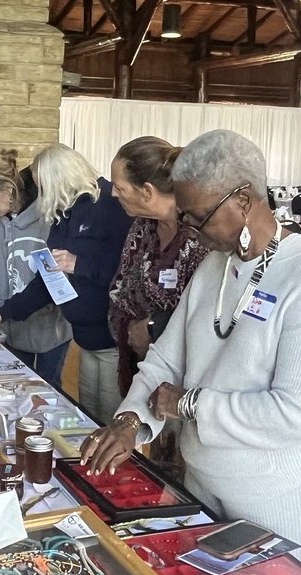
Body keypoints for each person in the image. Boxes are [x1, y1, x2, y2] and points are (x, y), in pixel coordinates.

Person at [82, 129, 301, 575]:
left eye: (199, 217)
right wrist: (132, 420)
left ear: (242, 201)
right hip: (211, 485)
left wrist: (189, 404)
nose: (192, 231)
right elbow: (164, 360)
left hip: (293, 496)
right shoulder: (213, 267)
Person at [0, 143, 131, 423]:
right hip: (85, 339)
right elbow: (47, 279)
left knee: (109, 422)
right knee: (89, 418)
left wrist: (79, 264)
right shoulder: (64, 214)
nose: (41, 195)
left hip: (111, 339)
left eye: (42, 186)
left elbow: (128, 273)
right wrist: (4, 312)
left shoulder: (110, 205)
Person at [0, 150, 72, 387]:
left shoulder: (48, 216)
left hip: (51, 329)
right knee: (13, 387)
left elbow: (55, 279)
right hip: (9, 327)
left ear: (8, 189)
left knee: (49, 390)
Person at [108, 137, 208, 396]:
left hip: (191, 381)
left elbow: (208, 309)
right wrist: (131, 330)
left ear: (147, 192)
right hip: (141, 368)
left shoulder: (202, 234)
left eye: (120, 187)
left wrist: (152, 329)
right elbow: (121, 289)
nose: (113, 194)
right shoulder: (142, 227)